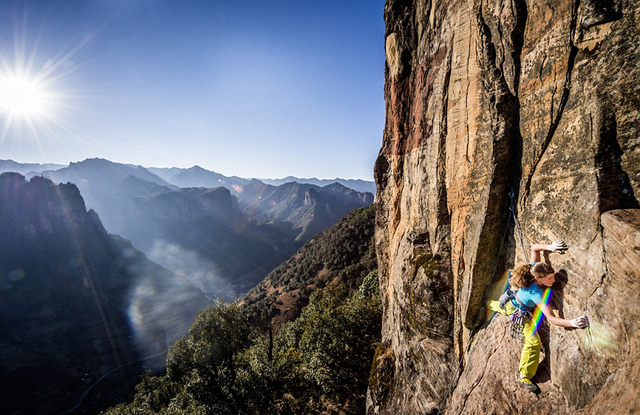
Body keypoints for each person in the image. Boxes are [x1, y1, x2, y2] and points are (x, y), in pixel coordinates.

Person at [488, 241, 589, 393]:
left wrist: (550, 248)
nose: (553, 281)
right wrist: (572, 322)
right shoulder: (537, 294)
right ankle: (524, 376)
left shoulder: (533, 269)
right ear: (538, 279)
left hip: (512, 301)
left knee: (500, 306)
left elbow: (535, 248)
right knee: (534, 342)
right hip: (519, 312)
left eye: (552, 277)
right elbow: (551, 318)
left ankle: (488, 304)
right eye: (549, 279)